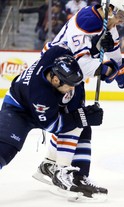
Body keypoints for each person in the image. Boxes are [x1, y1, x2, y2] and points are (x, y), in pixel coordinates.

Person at [33, 0, 124, 199]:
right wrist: (108, 70)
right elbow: (83, 65)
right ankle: (62, 173)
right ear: (109, 8)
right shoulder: (87, 21)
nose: (121, 20)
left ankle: (52, 166)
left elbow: (113, 49)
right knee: (78, 121)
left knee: (80, 120)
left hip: (70, 74)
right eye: (119, 14)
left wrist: (121, 68)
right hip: (58, 72)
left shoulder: (107, 22)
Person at [0, 45, 105, 194]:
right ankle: (60, 172)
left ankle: (73, 175)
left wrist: (95, 49)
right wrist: (81, 116)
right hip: (19, 110)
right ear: (56, 80)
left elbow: (56, 46)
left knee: (83, 126)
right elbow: (54, 125)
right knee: (6, 148)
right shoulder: (41, 95)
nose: (72, 89)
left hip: (47, 105)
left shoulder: (58, 53)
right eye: (69, 86)